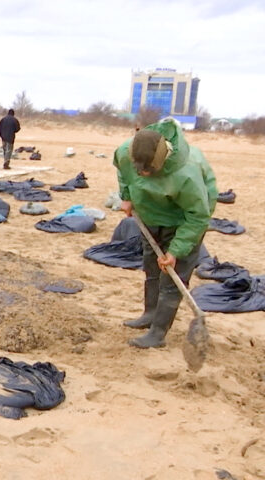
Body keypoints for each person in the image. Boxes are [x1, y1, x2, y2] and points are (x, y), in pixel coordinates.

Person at [114, 118, 217, 348]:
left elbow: (198, 216)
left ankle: (158, 333)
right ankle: (150, 314)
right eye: (138, 169)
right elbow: (123, 172)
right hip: (150, 214)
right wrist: (126, 196)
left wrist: (176, 250)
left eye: (148, 170)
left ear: (161, 161)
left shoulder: (186, 174)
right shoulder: (124, 152)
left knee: (172, 276)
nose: (142, 174)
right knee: (152, 266)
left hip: (183, 220)